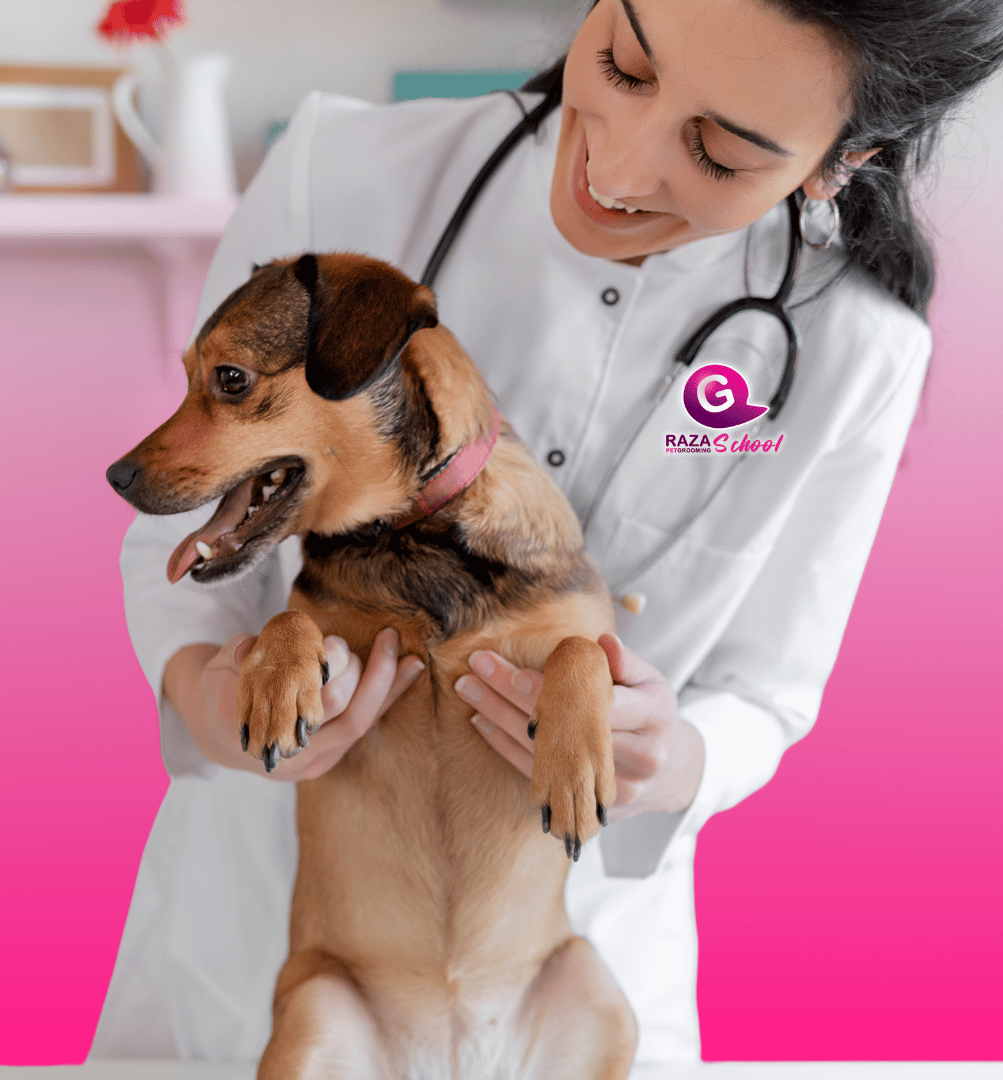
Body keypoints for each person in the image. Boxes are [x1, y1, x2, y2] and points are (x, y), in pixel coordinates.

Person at [92, 0, 1003, 1066]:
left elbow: (769, 689)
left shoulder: (856, 351)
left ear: (841, 159)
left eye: (715, 151)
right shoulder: (335, 173)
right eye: (621, 64)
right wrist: (208, 693)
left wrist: (678, 759)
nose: (617, 163)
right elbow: (206, 542)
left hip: (569, 982)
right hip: (273, 957)